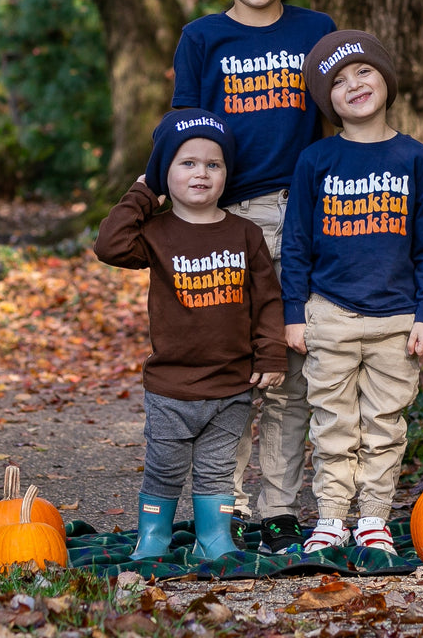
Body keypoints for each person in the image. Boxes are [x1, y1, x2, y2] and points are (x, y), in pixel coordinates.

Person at [170, 0, 337, 555]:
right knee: (234, 366)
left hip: (304, 216)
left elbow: (342, 122)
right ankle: (224, 504)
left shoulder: (314, 30)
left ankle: (277, 508)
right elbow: (185, 132)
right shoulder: (203, 38)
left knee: (295, 364)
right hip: (229, 218)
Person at [281, 30, 423, 553]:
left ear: (386, 80)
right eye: (337, 81)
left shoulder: (415, 159)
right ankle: (331, 517)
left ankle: (374, 516)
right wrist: (294, 313)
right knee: (333, 422)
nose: (353, 85)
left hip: (397, 321)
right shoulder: (316, 161)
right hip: (329, 313)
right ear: (326, 101)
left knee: (384, 424)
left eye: (363, 71)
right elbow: (297, 244)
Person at [93, 109, 287, 561]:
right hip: (171, 388)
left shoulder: (245, 233)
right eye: (187, 162)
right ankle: (154, 537)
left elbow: (268, 300)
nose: (201, 172)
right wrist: (144, 191)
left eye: (213, 164)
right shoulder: (157, 234)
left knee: (217, 472)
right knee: (164, 469)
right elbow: (109, 244)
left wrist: (272, 355)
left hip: (230, 385)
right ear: (166, 173)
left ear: (226, 174)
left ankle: (214, 538)